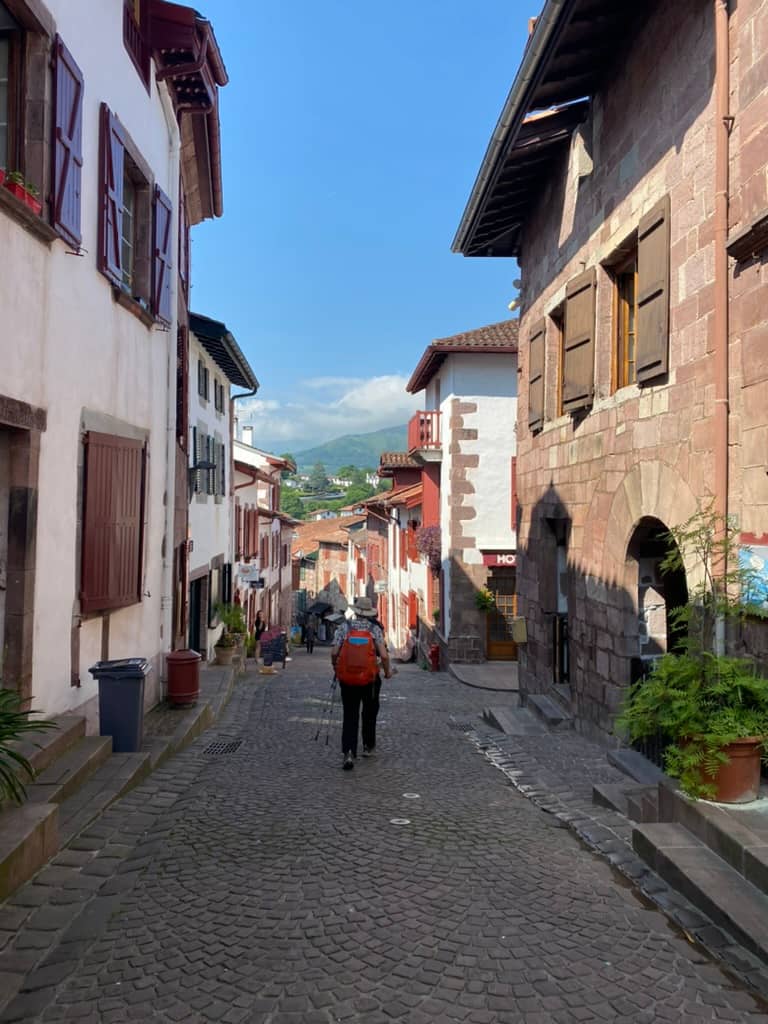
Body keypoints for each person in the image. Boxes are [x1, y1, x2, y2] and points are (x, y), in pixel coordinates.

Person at [331, 597, 391, 771]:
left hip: (348, 678)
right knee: (370, 712)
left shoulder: (344, 627)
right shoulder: (375, 629)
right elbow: (384, 656)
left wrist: (336, 668)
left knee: (350, 714)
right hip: (370, 679)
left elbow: (334, 652)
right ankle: (368, 746)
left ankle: (349, 752)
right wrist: (386, 672)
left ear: (356, 611)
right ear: (369, 613)